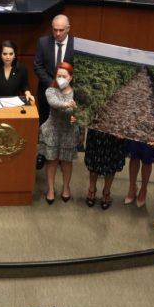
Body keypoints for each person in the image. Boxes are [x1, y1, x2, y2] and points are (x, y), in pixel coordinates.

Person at [38, 63, 80, 204]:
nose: (61, 78)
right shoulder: (51, 90)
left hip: (69, 132)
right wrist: (68, 104)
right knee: (52, 161)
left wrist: (77, 117)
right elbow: (54, 103)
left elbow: (81, 113)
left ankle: (66, 187)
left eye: (64, 76)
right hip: (53, 131)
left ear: (70, 78)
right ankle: (50, 189)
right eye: (58, 76)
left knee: (67, 162)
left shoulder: (77, 93)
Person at [34, 15, 74, 125]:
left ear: (68, 28)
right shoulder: (43, 42)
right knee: (44, 123)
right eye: (55, 30)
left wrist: (65, 85)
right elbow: (38, 66)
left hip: (67, 95)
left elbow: (77, 70)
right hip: (46, 92)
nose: (57, 33)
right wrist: (53, 84)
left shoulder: (76, 44)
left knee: (65, 125)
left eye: (61, 30)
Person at [84, 128, 127, 210]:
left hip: (116, 129)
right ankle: (92, 189)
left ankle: (106, 192)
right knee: (94, 159)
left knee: (111, 161)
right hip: (97, 127)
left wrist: (123, 129)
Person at [124, 139, 154, 209]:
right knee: (134, 157)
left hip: (152, 134)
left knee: (147, 159)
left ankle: (143, 190)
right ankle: (132, 188)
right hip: (135, 133)